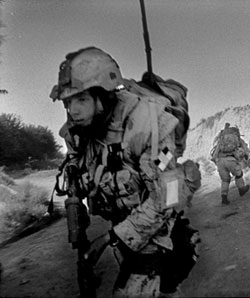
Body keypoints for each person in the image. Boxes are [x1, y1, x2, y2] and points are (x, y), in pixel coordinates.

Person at [50, 46, 201, 297]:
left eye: (81, 99)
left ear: (104, 95)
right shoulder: (77, 131)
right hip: (124, 223)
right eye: (67, 102)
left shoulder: (148, 124)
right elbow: (78, 175)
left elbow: (166, 198)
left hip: (157, 226)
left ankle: (182, 244)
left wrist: (111, 238)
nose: (72, 111)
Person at [211, 122, 250, 205]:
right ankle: (241, 189)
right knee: (239, 174)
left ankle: (224, 197)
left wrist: (216, 162)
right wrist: (245, 157)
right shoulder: (237, 139)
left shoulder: (220, 141)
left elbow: (214, 155)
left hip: (220, 161)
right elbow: (246, 151)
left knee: (225, 180)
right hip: (231, 160)